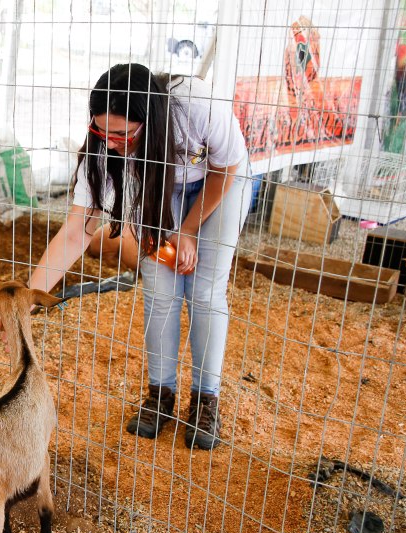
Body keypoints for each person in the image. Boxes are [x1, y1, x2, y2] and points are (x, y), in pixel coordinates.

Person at [27, 63, 250, 450]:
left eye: (121, 134)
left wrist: (187, 231)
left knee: (204, 291)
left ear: (150, 121)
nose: (111, 143)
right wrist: (27, 298)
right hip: (156, 187)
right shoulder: (105, 149)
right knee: (161, 290)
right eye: (102, 132)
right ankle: (161, 394)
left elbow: (225, 168)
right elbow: (76, 232)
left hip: (219, 182)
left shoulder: (198, 106)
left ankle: (205, 400)